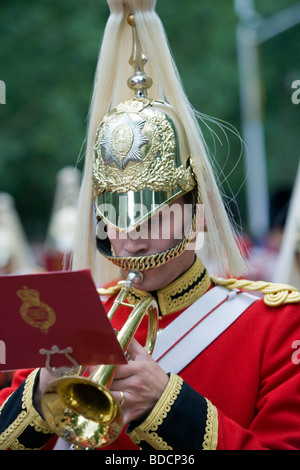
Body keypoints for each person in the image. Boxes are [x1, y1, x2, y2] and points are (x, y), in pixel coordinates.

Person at [1, 0, 300, 451]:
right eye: (117, 217)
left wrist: (169, 406)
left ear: (194, 214)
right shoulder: (72, 316)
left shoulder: (277, 324)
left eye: (154, 215)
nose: (133, 237)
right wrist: (41, 396)